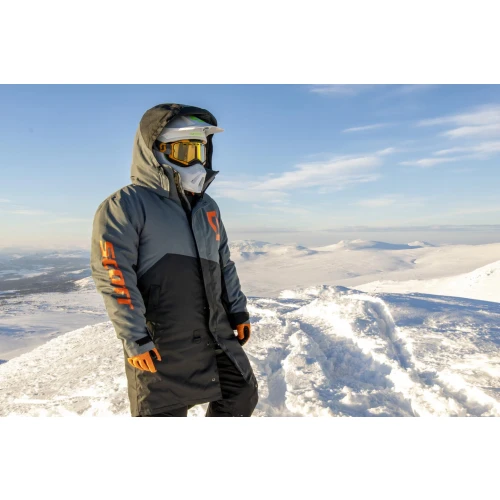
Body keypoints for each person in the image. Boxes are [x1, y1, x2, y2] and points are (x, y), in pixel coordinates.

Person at [90, 103, 258, 417]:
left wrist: (237, 310)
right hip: (162, 338)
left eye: (199, 151)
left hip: (215, 330)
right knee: (165, 413)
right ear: (156, 151)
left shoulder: (207, 206)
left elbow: (223, 264)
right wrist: (135, 337)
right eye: (184, 151)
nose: (195, 161)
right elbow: (114, 275)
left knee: (241, 393)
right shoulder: (125, 205)